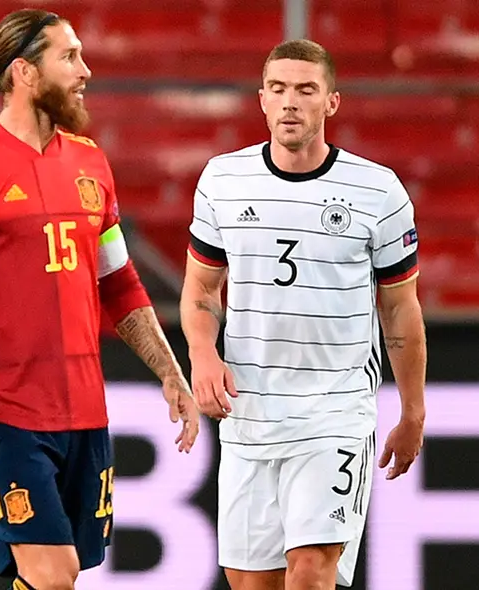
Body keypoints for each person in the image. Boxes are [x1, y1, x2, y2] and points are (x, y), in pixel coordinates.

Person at [0, 10, 200, 590]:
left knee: (61, 574)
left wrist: (171, 373)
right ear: (24, 72)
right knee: (53, 575)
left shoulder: (91, 162)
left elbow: (118, 282)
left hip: (86, 411)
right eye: (69, 57)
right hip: (7, 414)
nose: (85, 70)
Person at [181, 39, 426, 590]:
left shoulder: (377, 191)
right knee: (249, 583)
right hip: (250, 418)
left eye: (305, 90)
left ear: (331, 103)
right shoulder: (222, 179)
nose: (290, 102)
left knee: (311, 573)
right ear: (262, 100)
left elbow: (400, 308)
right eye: (278, 89)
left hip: (333, 414)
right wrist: (202, 353)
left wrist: (412, 411)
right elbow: (200, 290)